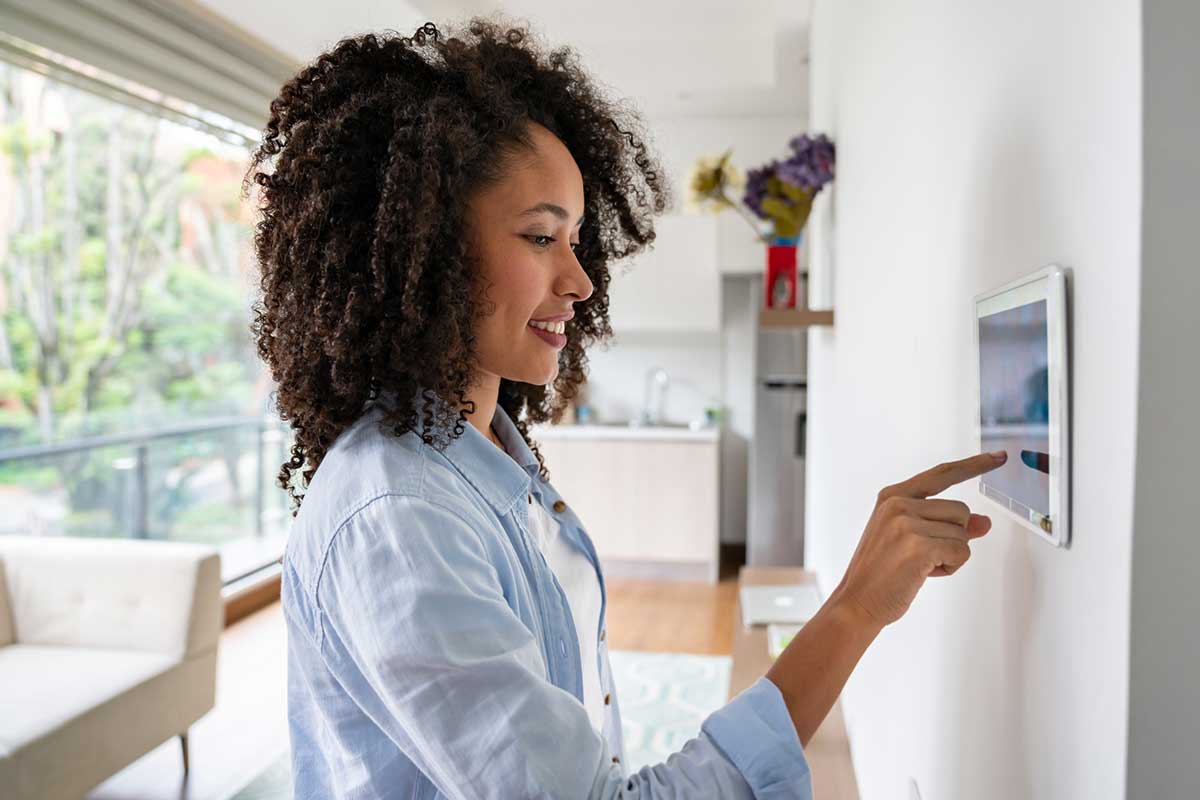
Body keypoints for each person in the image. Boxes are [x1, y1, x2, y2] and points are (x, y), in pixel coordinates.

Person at [247, 16, 1006, 799]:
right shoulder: (398, 516)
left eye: (576, 239)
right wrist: (852, 611)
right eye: (541, 237)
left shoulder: (487, 458)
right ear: (423, 245)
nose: (579, 282)